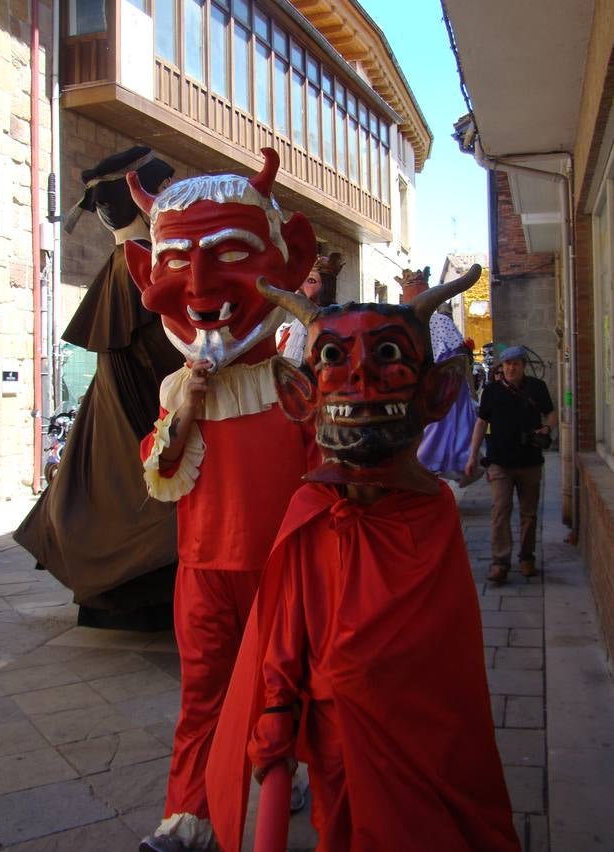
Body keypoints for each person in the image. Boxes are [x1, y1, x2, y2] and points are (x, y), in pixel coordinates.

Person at [207, 264, 520, 852]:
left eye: (385, 355)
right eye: (332, 358)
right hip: (336, 742)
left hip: (423, 748)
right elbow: (288, 624)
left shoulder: (434, 516)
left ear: (436, 391)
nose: (359, 376)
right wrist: (276, 704)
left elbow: (449, 675)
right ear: (299, 394)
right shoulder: (309, 509)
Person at [124, 149, 318, 852]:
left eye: (230, 251)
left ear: (286, 260)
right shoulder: (178, 387)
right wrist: (187, 409)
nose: (200, 285)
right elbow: (161, 465)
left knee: (283, 689)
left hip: (281, 573)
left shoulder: (294, 386)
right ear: (149, 275)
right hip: (203, 569)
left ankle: (289, 772)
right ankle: (189, 816)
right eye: (176, 261)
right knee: (202, 697)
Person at [14, 147, 183, 630]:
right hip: (143, 401)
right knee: (137, 488)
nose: (170, 193)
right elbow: (160, 350)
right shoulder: (142, 263)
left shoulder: (136, 261)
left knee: (113, 481)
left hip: (133, 394)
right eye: (163, 185)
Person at [464, 345, 557, 584]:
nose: (510, 368)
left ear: (523, 366)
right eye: (506, 365)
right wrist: (472, 455)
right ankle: (500, 562)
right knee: (500, 510)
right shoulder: (492, 391)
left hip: (530, 461)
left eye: (515, 364)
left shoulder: (537, 388)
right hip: (500, 462)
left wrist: (547, 428)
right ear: (501, 367)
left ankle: (527, 557)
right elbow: (481, 423)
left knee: (529, 513)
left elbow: (551, 413)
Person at [417, 301, 480, 483]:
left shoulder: (426, 324)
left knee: (441, 424)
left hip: (436, 379)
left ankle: (443, 462)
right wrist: (470, 388)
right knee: (456, 422)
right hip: (450, 379)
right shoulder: (443, 322)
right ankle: (458, 463)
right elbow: (460, 356)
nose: (448, 314)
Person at [277, 251, 344, 365]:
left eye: (311, 281)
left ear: (326, 286)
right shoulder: (294, 328)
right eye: (302, 280)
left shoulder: (336, 322)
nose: (301, 286)